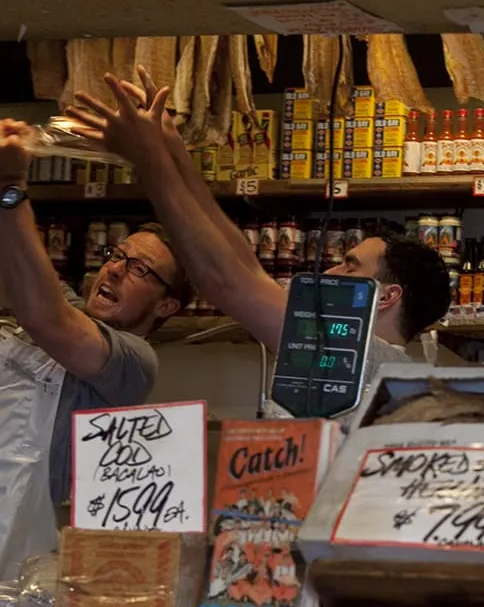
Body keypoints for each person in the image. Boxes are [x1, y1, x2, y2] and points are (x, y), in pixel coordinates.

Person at [69, 69, 450, 413]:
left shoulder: (362, 357)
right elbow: (244, 263)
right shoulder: (360, 354)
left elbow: (227, 280)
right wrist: (172, 148)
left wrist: (148, 159)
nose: (329, 271)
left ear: (386, 296)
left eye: (350, 266)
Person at [0, 120, 191, 576]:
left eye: (140, 268)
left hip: (24, 565)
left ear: (166, 304)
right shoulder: (55, 300)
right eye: (116, 256)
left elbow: (50, 322)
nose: (117, 270)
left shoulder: (134, 360)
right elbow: (29, 287)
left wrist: (11, 187)